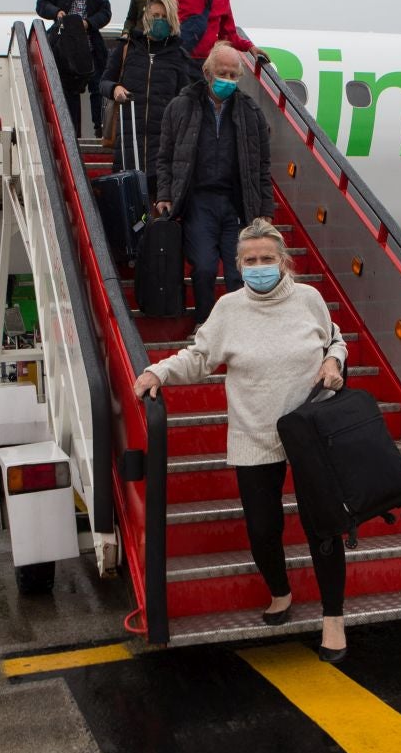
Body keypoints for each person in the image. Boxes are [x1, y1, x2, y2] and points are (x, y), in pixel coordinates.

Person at [133, 220, 350, 661]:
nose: (259, 266)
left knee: (322, 526)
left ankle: (333, 618)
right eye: (249, 261)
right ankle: (280, 592)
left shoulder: (309, 299)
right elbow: (199, 357)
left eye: (267, 259)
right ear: (236, 265)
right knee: (262, 529)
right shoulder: (229, 310)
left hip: (310, 432)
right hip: (255, 434)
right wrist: (160, 370)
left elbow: (336, 340)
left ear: (283, 261)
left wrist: (333, 361)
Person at [156, 41, 272, 325]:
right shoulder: (180, 107)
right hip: (199, 201)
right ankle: (206, 326)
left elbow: (262, 166)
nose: (228, 80)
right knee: (205, 268)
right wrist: (164, 193)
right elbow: (165, 157)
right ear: (207, 72)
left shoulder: (251, 113)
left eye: (234, 75)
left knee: (236, 273)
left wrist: (265, 208)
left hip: (235, 202)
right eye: (223, 73)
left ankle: (236, 328)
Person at [100, 0, 191, 201]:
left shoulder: (178, 56)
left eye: (164, 17)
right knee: (129, 208)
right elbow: (103, 82)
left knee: (159, 210)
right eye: (155, 16)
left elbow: (186, 98)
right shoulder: (127, 48)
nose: (159, 21)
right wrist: (115, 88)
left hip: (163, 147)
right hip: (128, 141)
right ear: (146, 17)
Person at [36, 0, 112, 138]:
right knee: (70, 90)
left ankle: (99, 126)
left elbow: (105, 12)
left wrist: (89, 23)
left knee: (97, 85)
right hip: (65, 45)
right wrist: (57, 12)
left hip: (89, 44)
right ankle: (71, 133)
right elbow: (42, 3)